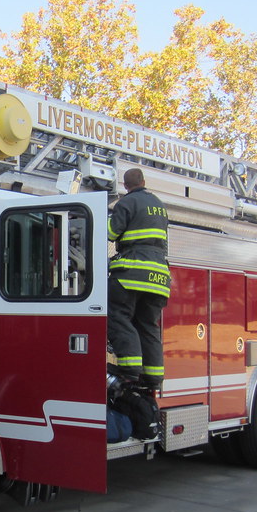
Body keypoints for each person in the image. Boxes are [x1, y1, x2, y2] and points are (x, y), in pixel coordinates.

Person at [106, 167, 170, 399]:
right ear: (144, 181)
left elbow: (111, 233)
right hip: (159, 276)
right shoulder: (159, 205)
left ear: (125, 186)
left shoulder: (127, 203)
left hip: (133, 271)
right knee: (148, 325)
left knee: (119, 316)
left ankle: (130, 371)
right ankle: (153, 377)